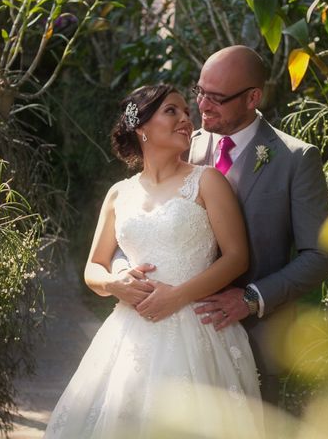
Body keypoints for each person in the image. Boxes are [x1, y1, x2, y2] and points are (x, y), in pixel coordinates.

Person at [122, 46, 328, 405]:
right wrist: (122, 275)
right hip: (170, 335)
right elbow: (134, 219)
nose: (203, 106)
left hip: (254, 337)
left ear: (253, 97)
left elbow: (322, 254)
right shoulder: (181, 145)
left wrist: (253, 299)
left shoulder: (295, 160)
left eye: (217, 98)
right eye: (200, 92)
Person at [44, 84, 262, 438]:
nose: (185, 120)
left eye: (186, 113)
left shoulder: (208, 181)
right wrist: (115, 284)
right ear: (142, 128)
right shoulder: (119, 194)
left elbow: (237, 258)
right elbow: (93, 268)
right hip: (129, 334)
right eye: (171, 111)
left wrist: (177, 296)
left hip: (198, 331)